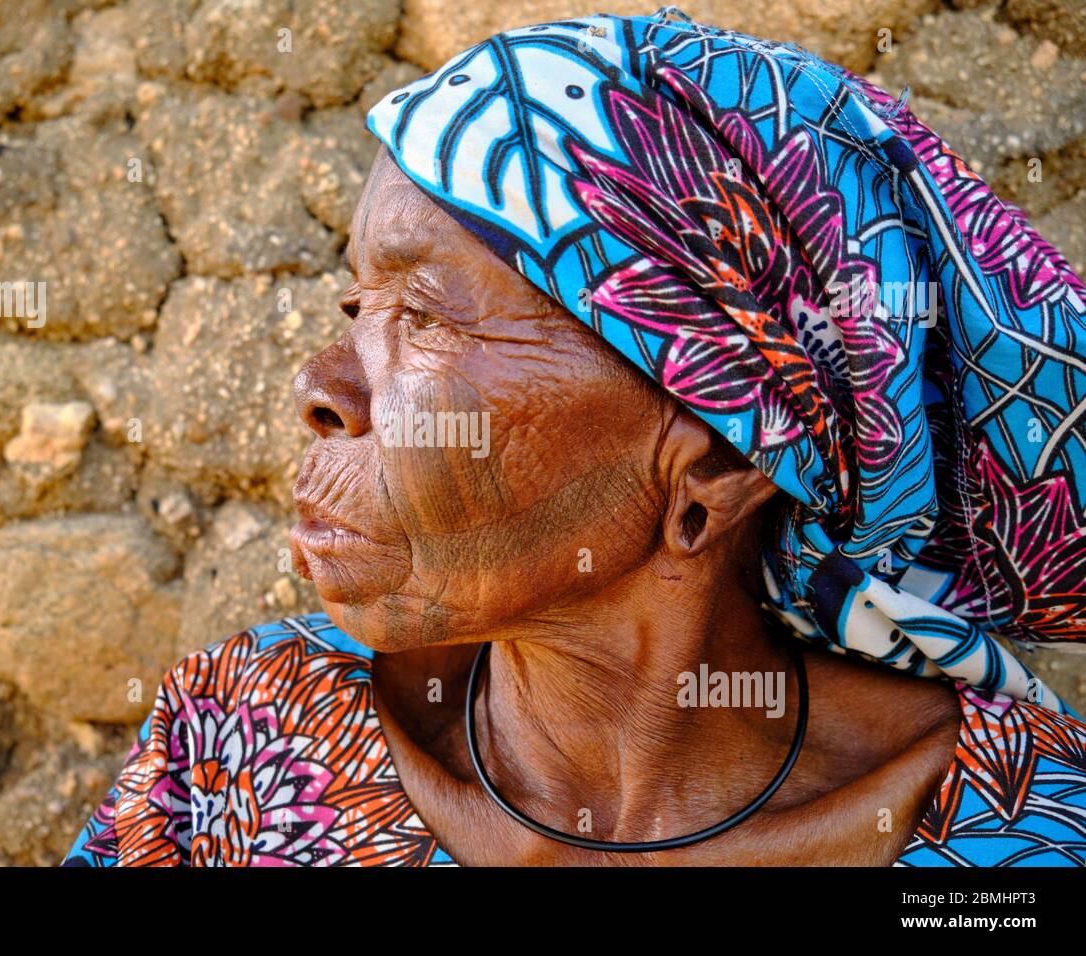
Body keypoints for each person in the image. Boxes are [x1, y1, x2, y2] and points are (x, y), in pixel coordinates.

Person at [63, 10, 1086, 867]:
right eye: (354, 305)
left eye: (422, 316)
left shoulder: (1021, 834)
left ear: (717, 464)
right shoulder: (236, 746)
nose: (319, 390)